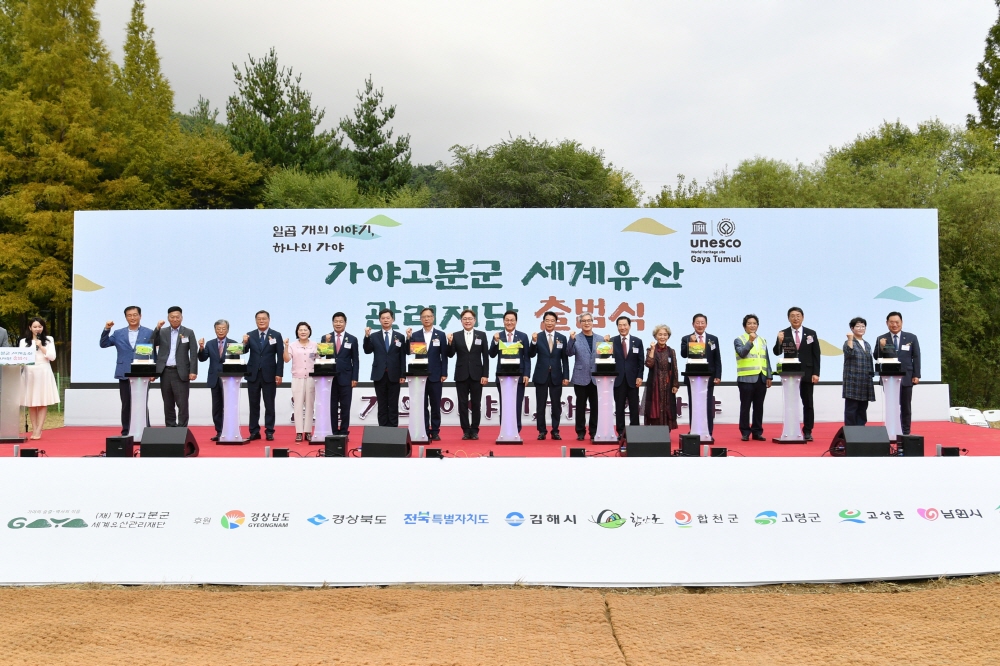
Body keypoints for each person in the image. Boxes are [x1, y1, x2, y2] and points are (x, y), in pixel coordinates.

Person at [100, 305, 154, 436]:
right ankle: (126, 432)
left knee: (142, 403)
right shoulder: (118, 333)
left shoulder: (149, 332)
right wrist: (107, 329)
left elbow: (153, 353)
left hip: (143, 373)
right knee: (126, 404)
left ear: (140, 316)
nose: (132, 318)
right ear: (125, 317)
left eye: (135, 315)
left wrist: (153, 372)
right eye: (129, 315)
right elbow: (104, 344)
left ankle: (146, 431)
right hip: (124, 372)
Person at [772, 306, 821, 441]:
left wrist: (816, 373)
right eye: (792, 316)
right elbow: (776, 352)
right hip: (790, 374)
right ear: (788, 318)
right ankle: (791, 430)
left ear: (803, 317)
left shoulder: (811, 333)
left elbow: (816, 354)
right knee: (791, 404)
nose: (795, 318)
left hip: (807, 373)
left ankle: (808, 431)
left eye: (798, 315)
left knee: (808, 403)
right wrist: (779, 341)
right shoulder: (783, 333)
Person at [873, 311, 921, 435]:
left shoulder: (911, 338)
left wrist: (916, 375)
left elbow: (916, 357)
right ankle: (891, 431)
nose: (894, 325)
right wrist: (881, 347)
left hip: (906, 377)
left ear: (901, 322)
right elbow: (876, 356)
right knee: (892, 406)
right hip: (889, 378)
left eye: (897, 322)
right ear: (887, 323)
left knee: (906, 406)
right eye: (891, 322)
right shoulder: (881, 338)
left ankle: (905, 432)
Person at [150, 306, 198, 428]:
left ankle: (182, 429)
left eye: (177, 317)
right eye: (172, 317)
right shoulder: (162, 331)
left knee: (182, 403)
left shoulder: (188, 332)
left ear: (182, 318)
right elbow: (152, 343)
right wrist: (157, 328)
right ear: (168, 318)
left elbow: (193, 353)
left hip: (181, 372)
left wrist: (193, 371)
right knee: (168, 403)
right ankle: (170, 428)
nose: (175, 319)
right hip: (165, 371)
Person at [407, 307, 449, 441]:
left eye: (429, 316)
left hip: (436, 375)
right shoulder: (416, 335)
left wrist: (444, 373)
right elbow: (410, 353)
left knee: (436, 405)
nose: (426, 319)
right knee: (422, 405)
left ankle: (435, 431)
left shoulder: (440, 335)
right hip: (420, 376)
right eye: (424, 317)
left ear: (433, 318)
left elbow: (444, 356)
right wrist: (408, 339)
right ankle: (424, 429)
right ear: (420, 319)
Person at [447, 309, 489, 440]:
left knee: (476, 404)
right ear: (461, 321)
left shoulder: (481, 335)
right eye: (465, 319)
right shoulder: (456, 335)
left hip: (477, 375)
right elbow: (450, 354)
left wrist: (485, 375)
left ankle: (475, 430)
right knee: (462, 404)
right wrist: (449, 343)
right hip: (461, 374)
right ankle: (465, 430)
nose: (467, 321)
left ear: (474, 320)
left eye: (470, 318)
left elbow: (485, 357)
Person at [528, 311, 570, 440]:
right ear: (543, 322)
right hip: (541, 375)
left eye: (552, 320)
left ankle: (555, 430)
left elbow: (565, 359)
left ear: (556, 322)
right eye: (547, 320)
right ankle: (542, 431)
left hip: (557, 375)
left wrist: (566, 376)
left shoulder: (562, 338)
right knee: (540, 405)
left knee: (556, 405)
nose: (550, 323)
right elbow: (531, 354)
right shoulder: (538, 337)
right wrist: (533, 342)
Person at [243, 310, 283, 441]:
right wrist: (244, 342)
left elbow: (280, 356)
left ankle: (269, 431)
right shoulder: (250, 335)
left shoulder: (276, 335)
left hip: (269, 374)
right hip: (253, 375)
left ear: (269, 320)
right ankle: (254, 431)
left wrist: (279, 373)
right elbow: (243, 351)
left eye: (264, 318)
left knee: (269, 405)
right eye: (259, 319)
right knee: (253, 404)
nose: (261, 321)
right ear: (255, 321)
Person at [362, 308, 407, 427]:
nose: (385, 320)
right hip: (379, 375)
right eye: (383, 318)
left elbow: (402, 357)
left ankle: (393, 430)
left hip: (394, 375)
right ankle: (382, 430)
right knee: (381, 404)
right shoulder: (374, 336)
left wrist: (403, 374)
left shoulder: (400, 336)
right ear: (379, 320)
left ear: (393, 319)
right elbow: (367, 350)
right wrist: (366, 336)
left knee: (393, 404)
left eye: (388, 318)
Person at [679, 313, 722, 436]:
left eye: (702, 322)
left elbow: (717, 359)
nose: (700, 325)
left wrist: (718, 375)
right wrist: (690, 343)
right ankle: (694, 431)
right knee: (694, 405)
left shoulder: (713, 339)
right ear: (693, 324)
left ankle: (708, 431)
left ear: (706, 324)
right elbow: (683, 354)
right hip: (692, 377)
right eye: (697, 322)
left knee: (708, 405)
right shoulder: (686, 338)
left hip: (708, 377)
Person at [488, 310, 531, 432]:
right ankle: (504, 430)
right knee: (505, 404)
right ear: (503, 321)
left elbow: (526, 357)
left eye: (512, 320)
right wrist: (495, 341)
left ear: (516, 322)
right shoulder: (498, 336)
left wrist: (526, 374)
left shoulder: (523, 336)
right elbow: (491, 354)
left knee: (517, 404)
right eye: (507, 320)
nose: (509, 322)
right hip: (502, 375)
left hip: (519, 376)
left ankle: (516, 430)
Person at [19, 318, 59, 440]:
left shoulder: (49, 340)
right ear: (30, 328)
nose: (38, 329)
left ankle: (38, 430)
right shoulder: (23, 342)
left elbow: (52, 357)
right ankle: (34, 428)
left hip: (43, 371)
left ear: (43, 327)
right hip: (29, 373)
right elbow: (21, 358)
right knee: (31, 403)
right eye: (35, 327)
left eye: (40, 326)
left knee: (42, 401)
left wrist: (41, 346)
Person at [734, 314, 772, 441]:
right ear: (744, 326)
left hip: (761, 378)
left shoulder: (762, 340)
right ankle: (745, 432)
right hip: (746, 378)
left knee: (759, 407)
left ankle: (757, 431)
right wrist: (750, 341)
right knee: (745, 406)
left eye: (754, 323)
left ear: (758, 326)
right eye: (749, 323)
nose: (752, 325)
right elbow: (742, 353)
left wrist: (769, 376)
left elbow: (766, 359)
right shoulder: (739, 339)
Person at [196, 319, 235, 441]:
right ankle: (219, 432)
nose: (221, 331)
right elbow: (202, 358)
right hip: (214, 379)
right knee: (217, 407)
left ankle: (230, 430)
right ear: (215, 330)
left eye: (223, 329)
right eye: (218, 329)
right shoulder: (210, 344)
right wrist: (201, 348)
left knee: (228, 406)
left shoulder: (233, 344)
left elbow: (236, 360)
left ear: (227, 330)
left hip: (229, 379)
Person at [322, 312, 359, 437]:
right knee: (331, 406)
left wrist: (355, 377)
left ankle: (343, 431)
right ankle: (332, 430)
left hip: (346, 377)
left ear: (345, 323)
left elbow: (355, 360)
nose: (338, 324)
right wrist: (326, 342)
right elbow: (322, 355)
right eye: (336, 321)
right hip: (330, 378)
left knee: (345, 406)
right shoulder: (326, 337)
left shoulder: (352, 339)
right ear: (332, 323)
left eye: (341, 321)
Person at [565, 314, 597, 441]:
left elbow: (605, 356)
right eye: (583, 321)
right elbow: (569, 353)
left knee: (595, 406)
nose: (586, 323)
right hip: (580, 376)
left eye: (589, 320)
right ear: (580, 323)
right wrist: (571, 340)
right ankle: (580, 431)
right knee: (580, 406)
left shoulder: (600, 338)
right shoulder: (576, 338)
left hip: (596, 377)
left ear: (593, 322)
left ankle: (594, 431)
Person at [283, 322, 317, 442]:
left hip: (311, 378)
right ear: (297, 332)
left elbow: (320, 358)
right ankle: (298, 432)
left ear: (309, 331)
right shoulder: (292, 345)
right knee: (298, 405)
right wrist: (286, 346)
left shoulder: (315, 345)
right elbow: (286, 359)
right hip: (297, 378)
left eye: (305, 330)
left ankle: (308, 431)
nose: (303, 332)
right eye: (300, 330)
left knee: (309, 405)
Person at [612, 315, 643, 437]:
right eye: (620, 325)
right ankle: (620, 432)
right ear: (617, 327)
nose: (622, 327)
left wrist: (640, 376)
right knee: (619, 407)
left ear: (629, 326)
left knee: (634, 407)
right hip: (618, 379)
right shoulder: (612, 341)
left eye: (625, 325)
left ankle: (635, 432)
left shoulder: (637, 341)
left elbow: (640, 361)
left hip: (633, 379)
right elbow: (606, 359)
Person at [643, 324, 679, 429]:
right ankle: (656, 430)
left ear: (668, 336)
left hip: (668, 383)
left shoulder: (671, 351)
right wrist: (652, 349)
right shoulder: (650, 350)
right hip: (655, 383)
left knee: (668, 406)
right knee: (655, 407)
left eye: (665, 335)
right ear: (655, 336)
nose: (662, 337)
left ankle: (666, 430)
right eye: (660, 334)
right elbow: (649, 364)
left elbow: (674, 368)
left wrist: (675, 384)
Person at [843, 317, 876, 425]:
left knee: (862, 408)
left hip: (865, 381)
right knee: (851, 408)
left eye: (863, 326)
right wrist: (850, 339)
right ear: (852, 328)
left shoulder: (867, 344)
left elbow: (870, 362)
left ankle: (861, 429)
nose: (861, 328)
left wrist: (871, 376)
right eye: (858, 326)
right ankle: (850, 431)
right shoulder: (848, 342)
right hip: (853, 381)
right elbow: (849, 353)